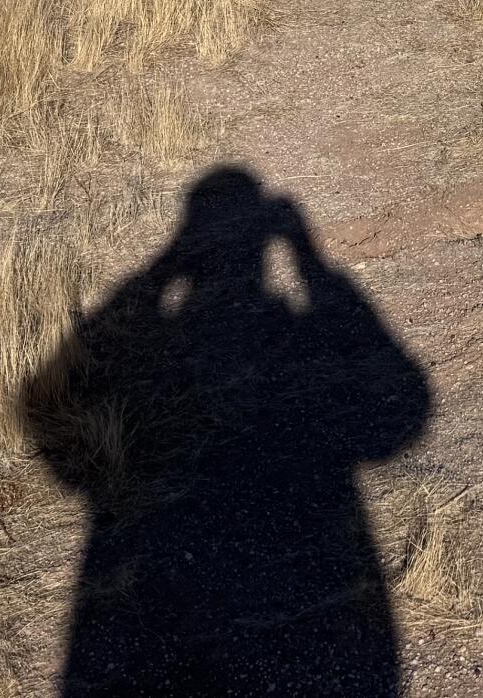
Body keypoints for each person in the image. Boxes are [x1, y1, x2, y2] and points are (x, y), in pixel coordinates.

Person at [25, 166, 433, 695]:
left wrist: (163, 267)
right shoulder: (284, 330)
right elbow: (400, 416)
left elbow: (52, 418)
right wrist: (311, 264)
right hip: (320, 565)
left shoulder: (175, 337)